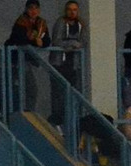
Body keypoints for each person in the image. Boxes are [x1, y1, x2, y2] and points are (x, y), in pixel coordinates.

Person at [49, 1, 84, 129]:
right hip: (59, 64)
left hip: (73, 65)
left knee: (74, 94)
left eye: (74, 10)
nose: (72, 12)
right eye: (69, 9)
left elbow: (83, 42)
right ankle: (58, 122)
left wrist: (75, 46)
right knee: (59, 95)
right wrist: (71, 45)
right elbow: (56, 41)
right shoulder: (61, 23)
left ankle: (73, 122)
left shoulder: (81, 25)